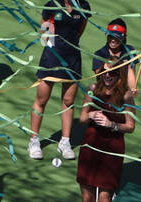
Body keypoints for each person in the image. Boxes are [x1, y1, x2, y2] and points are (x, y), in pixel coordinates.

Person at [74, 57, 133, 202]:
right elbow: (81, 119)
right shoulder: (91, 90)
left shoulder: (125, 95)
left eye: (113, 73)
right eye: (105, 72)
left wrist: (113, 124)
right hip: (90, 146)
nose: (108, 77)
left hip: (112, 149)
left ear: (119, 75)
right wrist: (89, 114)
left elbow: (131, 126)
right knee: (87, 200)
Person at [27, 0, 91, 161]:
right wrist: (50, 44)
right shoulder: (53, 4)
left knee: (69, 100)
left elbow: (80, 30)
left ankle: (65, 142)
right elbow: (44, 24)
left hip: (73, 58)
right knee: (42, 98)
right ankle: (34, 141)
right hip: (52, 57)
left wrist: (69, 46)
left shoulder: (83, 6)